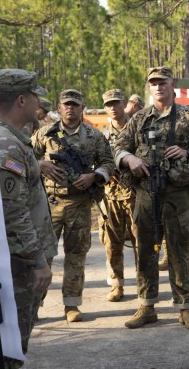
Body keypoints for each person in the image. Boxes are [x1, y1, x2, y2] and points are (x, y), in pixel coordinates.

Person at [0, 69, 56, 368]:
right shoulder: (8, 147)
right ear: (21, 100)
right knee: (7, 351)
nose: (38, 102)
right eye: (34, 96)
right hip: (17, 268)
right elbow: (13, 215)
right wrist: (36, 261)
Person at [114, 66, 189, 330]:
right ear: (149, 87)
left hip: (177, 195)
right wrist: (130, 159)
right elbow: (117, 147)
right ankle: (146, 305)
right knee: (145, 251)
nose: (158, 87)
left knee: (179, 250)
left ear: (172, 84)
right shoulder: (138, 119)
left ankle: (185, 308)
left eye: (163, 82)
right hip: (146, 194)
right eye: (153, 83)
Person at [32, 89, 114, 323]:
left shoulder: (93, 135)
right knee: (42, 255)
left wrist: (94, 176)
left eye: (75, 105)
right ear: (58, 108)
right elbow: (24, 156)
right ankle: (33, 306)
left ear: (82, 108)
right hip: (50, 203)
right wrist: (41, 165)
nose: (70, 108)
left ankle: (71, 305)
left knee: (76, 255)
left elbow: (108, 162)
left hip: (79, 204)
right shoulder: (45, 133)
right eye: (66, 104)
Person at [99, 88, 137, 302]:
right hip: (110, 196)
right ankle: (116, 284)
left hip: (135, 194)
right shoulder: (101, 135)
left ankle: (144, 283)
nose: (113, 107)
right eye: (108, 104)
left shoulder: (138, 129)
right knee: (112, 243)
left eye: (116, 103)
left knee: (141, 241)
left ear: (124, 104)